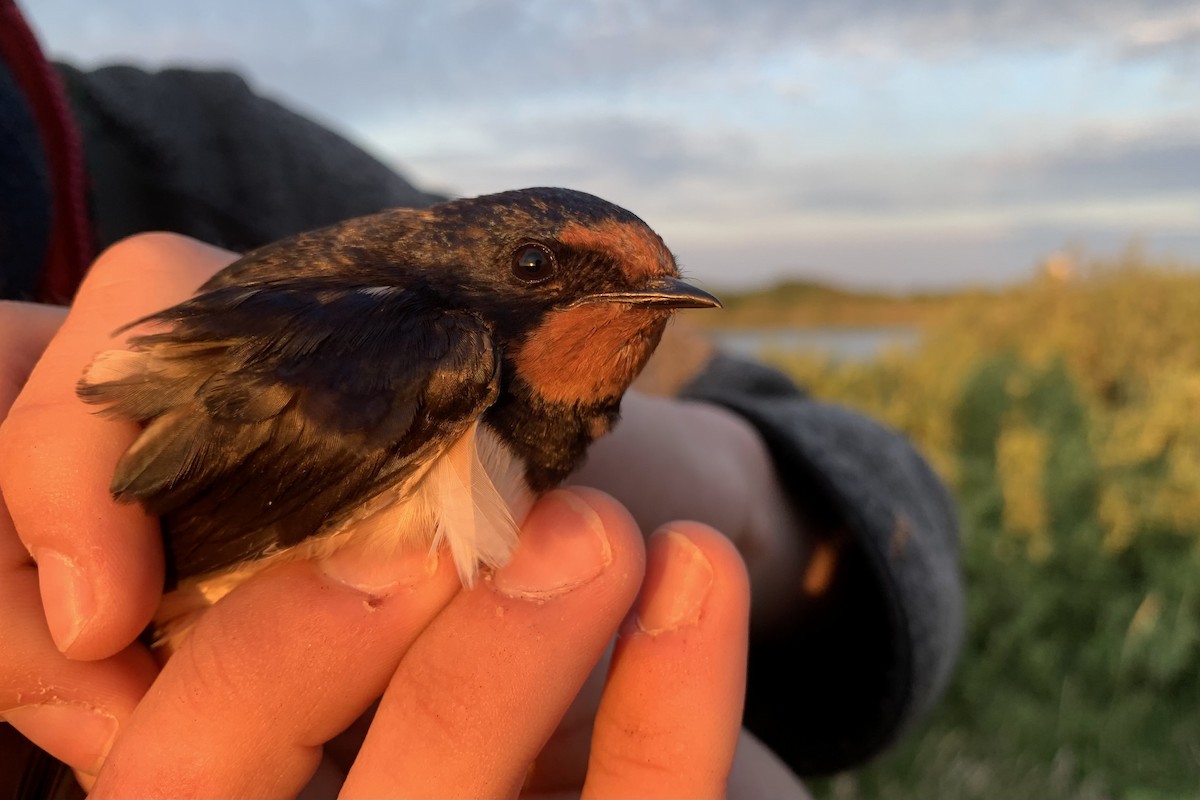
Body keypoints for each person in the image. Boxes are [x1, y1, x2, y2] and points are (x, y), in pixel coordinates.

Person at [0, 1, 963, 795]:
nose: (628, 305)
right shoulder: (429, 345)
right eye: (544, 268)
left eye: (645, 286)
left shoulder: (217, 163)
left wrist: (728, 497)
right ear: (475, 273)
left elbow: (888, 509)